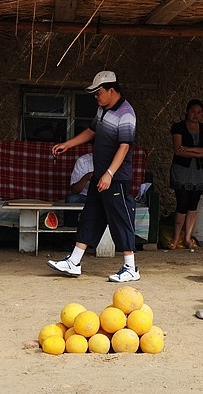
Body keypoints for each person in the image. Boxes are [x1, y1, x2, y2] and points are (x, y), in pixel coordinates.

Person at [47, 70, 139, 282]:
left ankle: (131, 268)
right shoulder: (102, 110)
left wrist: (108, 174)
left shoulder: (126, 113)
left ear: (111, 90)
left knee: (120, 220)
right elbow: (91, 131)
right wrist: (67, 145)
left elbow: (124, 147)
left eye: (99, 92)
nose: (96, 96)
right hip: (101, 176)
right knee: (90, 216)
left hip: (115, 178)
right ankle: (74, 261)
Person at [169, 99, 203, 249]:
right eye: (193, 111)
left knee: (193, 205)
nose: (196, 115)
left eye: (199, 112)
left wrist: (189, 150)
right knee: (181, 203)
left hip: (199, 171)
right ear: (187, 111)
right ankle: (176, 238)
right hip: (182, 170)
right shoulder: (178, 127)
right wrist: (199, 152)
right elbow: (177, 150)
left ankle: (187, 238)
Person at [64, 152, 93, 226]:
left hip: (105, 196)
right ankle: (70, 228)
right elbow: (74, 190)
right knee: (72, 199)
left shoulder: (114, 160)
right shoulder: (83, 161)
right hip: (86, 196)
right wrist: (86, 177)